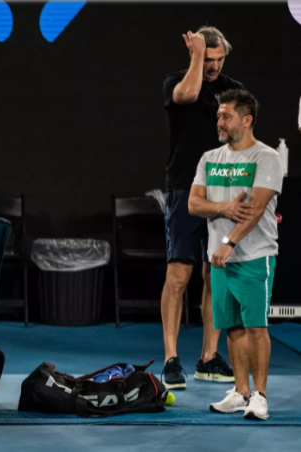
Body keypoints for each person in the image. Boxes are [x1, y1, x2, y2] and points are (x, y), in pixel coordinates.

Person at [189, 89, 283, 420]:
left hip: (254, 256)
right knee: (233, 327)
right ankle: (241, 392)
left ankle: (260, 396)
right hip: (220, 260)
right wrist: (224, 209)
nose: (220, 121)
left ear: (246, 120)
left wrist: (228, 241)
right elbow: (193, 204)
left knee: (256, 326)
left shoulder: (267, 157)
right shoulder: (209, 158)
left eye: (226, 116)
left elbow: (255, 209)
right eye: (218, 116)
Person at [161, 26, 243, 389]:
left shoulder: (234, 92)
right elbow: (189, 93)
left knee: (216, 274)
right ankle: (171, 359)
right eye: (206, 59)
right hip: (185, 188)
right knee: (179, 275)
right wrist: (194, 57)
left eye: (218, 59)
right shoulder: (176, 82)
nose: (213, 66)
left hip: (223, 193)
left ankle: (209, 358)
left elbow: (242, 138)